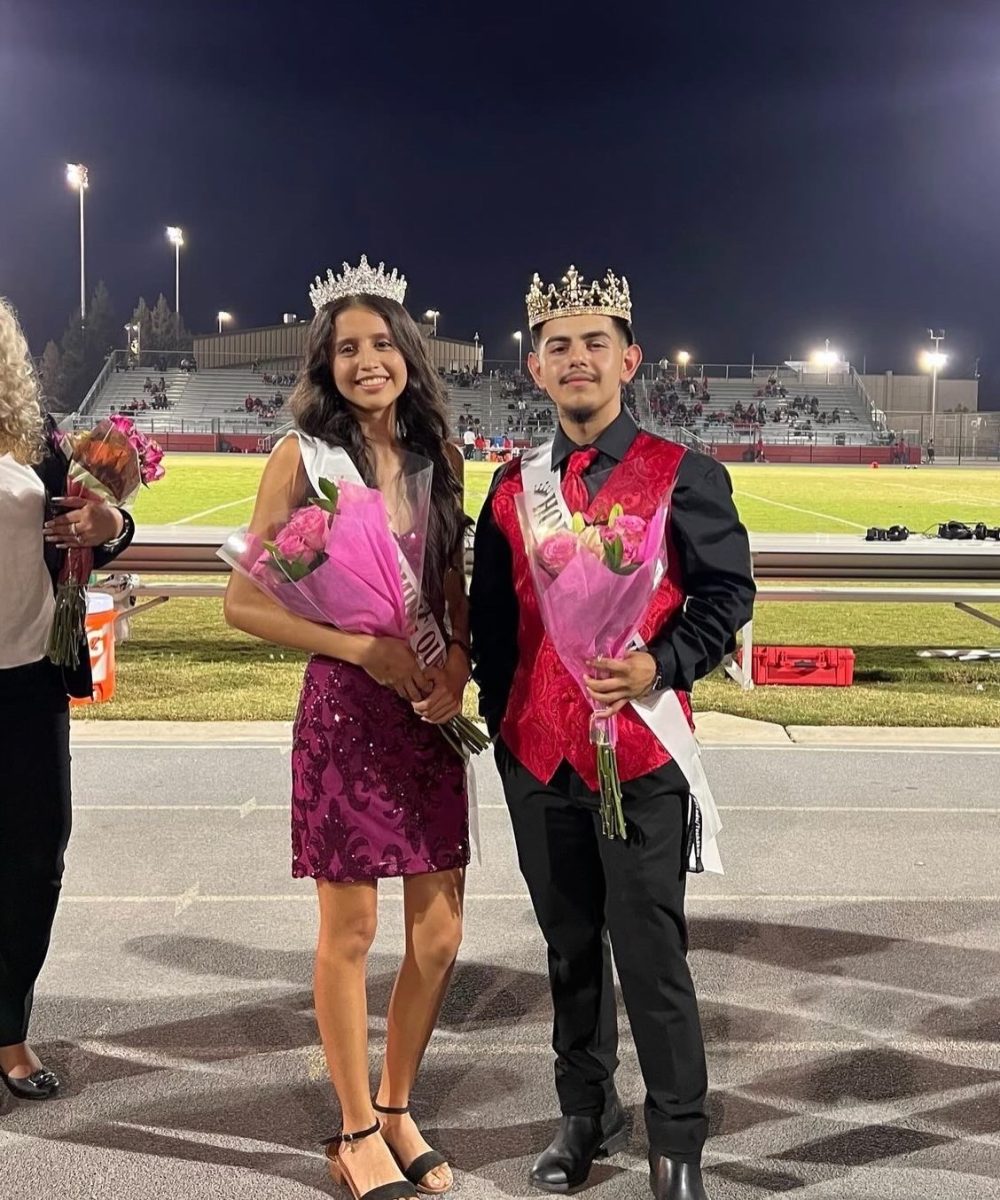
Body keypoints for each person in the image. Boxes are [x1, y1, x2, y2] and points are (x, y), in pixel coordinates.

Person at [470, 266, 755, 1200]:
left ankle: (678, 1142)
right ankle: (583, 1115)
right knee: (567, 949)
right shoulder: (513, 488)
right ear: (535, 369)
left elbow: (725, 598)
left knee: (651, 954)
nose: (577, 358)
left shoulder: (685, 475)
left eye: (595, 342)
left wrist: (658, 667)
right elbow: (493, 626)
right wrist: (500, 730)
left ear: (629, 360)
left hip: (636, 753)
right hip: (538, 756)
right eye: (558, 345)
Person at [224, 259, 470, 1200]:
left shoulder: (441, 456)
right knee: (353, 928)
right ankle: (356, 1126)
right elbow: (243, 605)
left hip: (427, 711)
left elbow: (448, 589)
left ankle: (400, 1104)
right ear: (323, 365)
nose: (367, 361)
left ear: (409, 353)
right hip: (348, 710)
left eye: (380, 344)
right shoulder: (302, 459)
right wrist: (355, 649)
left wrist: (457, 667)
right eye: (345, 349)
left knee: (440, 935)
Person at [0, 298, 134, 1102]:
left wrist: (106, 517)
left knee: (34, 857)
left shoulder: (34, 436)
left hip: (29, 679)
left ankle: (9, 1029)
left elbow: (108, 523)